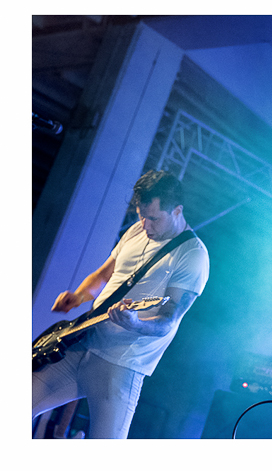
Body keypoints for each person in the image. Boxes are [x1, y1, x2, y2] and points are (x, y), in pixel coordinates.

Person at [32, 170, 209, 438]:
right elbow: (105, 274)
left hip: (121, 363)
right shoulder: (137, 230)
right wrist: (79, 295)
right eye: (141, 215)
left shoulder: (193, 255)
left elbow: (168, 321)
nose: (146, 225)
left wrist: (136, 323)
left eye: (154, 218)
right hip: (84, 341)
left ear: (177, 211)